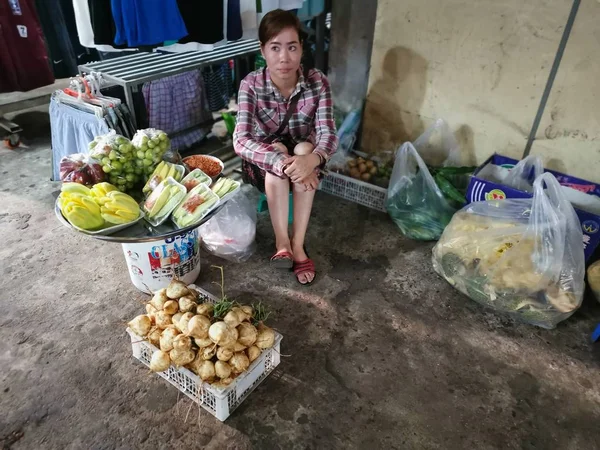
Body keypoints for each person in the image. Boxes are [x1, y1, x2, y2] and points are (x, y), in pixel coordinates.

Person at [233, 9, 338, 286]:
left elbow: (328, 133)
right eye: (275, 47)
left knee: (304, 149)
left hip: (306, 160)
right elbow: (241, 140)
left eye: (292, 47)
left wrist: (313, 159)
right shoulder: (250, 85)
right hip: (264, 162)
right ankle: (282, 242)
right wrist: (281, 161)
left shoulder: (318, 82)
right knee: (278, 153)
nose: (284, 57)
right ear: (263, 50)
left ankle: (298, 244)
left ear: (302, 48)